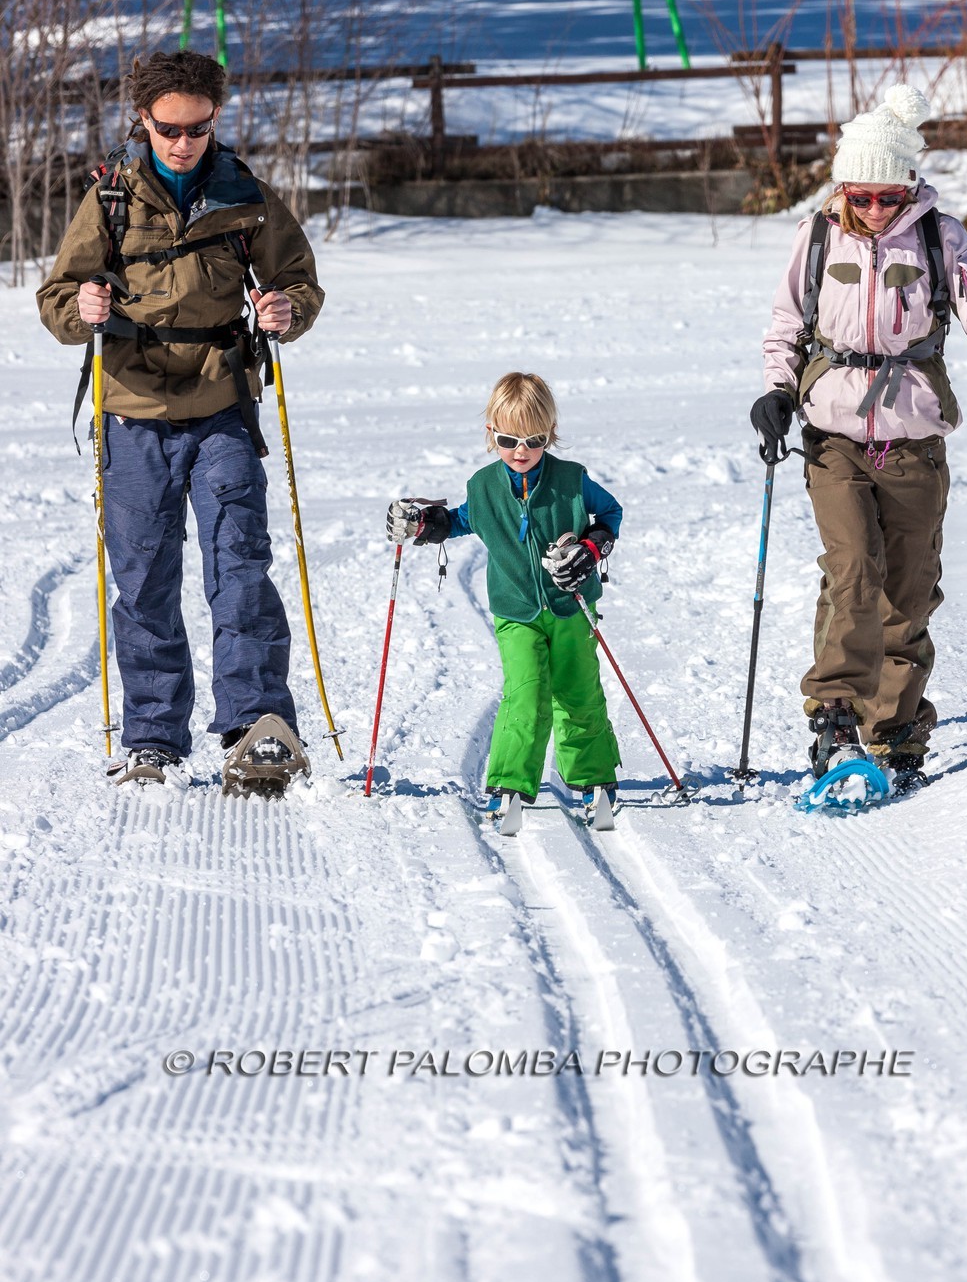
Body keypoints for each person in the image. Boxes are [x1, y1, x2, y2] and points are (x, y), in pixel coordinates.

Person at [37, 49, 325, 791]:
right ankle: (153, 740)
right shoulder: (109, 198)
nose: (184, 142)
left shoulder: (244, 195)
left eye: (198, 127)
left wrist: (285, 309)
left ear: (215, 118)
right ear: (143, 119)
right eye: (169, 128)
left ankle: (257, 729)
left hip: (222, 408)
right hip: (132, 416)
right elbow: (58, 297)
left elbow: (297, 280)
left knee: (240, 566)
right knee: (144, 583)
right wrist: (83, 307)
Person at [751, 84, 967, 784]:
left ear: (908, 185)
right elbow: (787, 325)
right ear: (843, 189)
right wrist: (777, 391)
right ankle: (834, 715)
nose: (875, 209)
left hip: (914, 438)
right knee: (853, 568)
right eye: (861, 196)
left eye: (888, 196)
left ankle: (895, 727)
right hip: (833, 437)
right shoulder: (817, 237)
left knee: (908, 588)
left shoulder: (941, 237)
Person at [386, 372, 623, 813]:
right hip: (515, 611)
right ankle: (510, 782)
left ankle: (593, 777)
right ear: (491, 433)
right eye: (509, 440)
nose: (521, 451)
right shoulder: (484, 486)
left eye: (534, 440)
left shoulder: (572, 480)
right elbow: (462, 519)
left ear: (550, 434)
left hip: (572, 605)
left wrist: (591, 549)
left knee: (578, 692)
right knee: (526, 693)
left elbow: (610, 513)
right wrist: (423, 526)